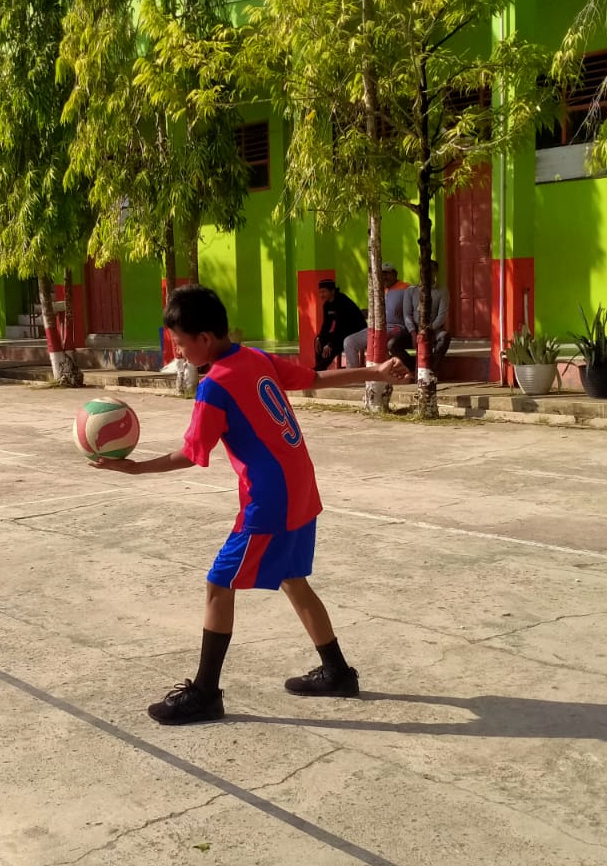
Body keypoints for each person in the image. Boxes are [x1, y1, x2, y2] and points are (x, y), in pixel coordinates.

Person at [93, 286, 407, 725]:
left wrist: (135, 469)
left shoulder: (214, 386)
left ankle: (205, 693)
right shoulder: (255, 358)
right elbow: (313, 379)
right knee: (292, 580)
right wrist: (375, 371)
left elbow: (191, 455)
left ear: (204, 338)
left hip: (270, 501)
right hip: (301, 487)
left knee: (219, 585)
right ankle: (337, 671)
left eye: (180, 344)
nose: (178, 353)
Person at [386, 278, 452, 379]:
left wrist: (428, 330)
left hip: (433, 329)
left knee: (444, 337)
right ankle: (413, 367)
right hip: (414, 329)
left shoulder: (442, 291)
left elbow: (441, 316)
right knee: (392, 344)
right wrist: (413, 332)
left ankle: (431, 369)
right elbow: (407, 314)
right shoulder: (411, 290)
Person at [341, 262, 399, 368]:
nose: (385, 277)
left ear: (395, 274)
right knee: (349, 342)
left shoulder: (406, 289)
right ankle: (353, 372)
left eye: (387, 273)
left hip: (396, 327)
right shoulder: (379, 290)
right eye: (382, 274)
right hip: (377, 327)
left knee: (379, 342)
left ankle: (381, 372)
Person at [313, 277, 366, 371]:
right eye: (320, 292)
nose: (321, 295)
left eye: (324, 292)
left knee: (333, 345)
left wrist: (330, 343)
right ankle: (320, 368)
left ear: (332, 291)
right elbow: (326, 324)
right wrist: (319, 337)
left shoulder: (343, 302)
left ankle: (319, 369)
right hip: (342, 331)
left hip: (355, 331)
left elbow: (342, 327)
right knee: (319, 340)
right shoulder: (327, 305)